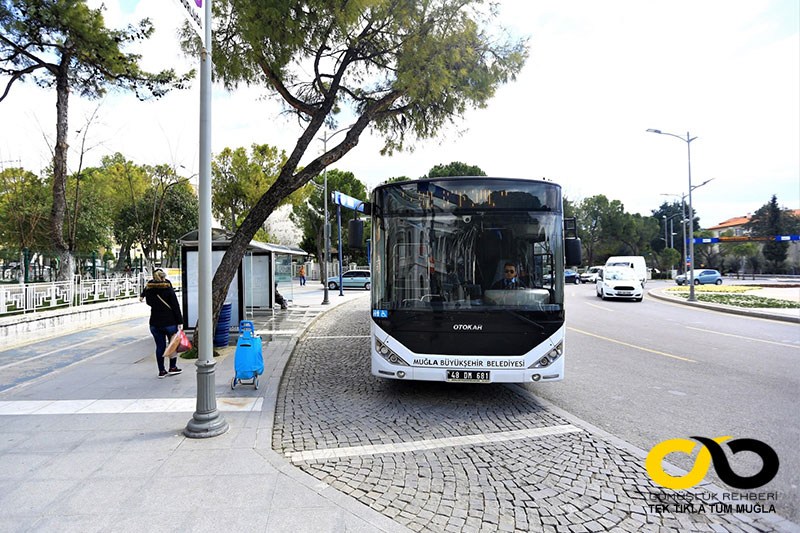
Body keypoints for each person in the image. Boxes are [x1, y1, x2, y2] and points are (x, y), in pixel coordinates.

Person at [141, 269, 183, 378]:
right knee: (172, 344)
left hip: (154, 323)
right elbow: (175, 306)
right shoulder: (168, 289)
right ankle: (172, 367)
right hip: (169, 322)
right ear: (164, 278)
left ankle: (161, 371)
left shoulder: (149, 290)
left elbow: (149, 302)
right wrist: (180, 321)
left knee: (160, 346)